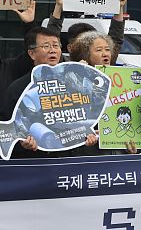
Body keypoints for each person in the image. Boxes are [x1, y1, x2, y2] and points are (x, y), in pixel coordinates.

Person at [0, 27, 98, 158]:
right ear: (31, 53)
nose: (52, 50)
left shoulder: (73, 85)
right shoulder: (18, 88)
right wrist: (21, 143)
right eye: (46, 46)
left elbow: (83, 119)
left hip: (67, 163)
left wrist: (87, 136)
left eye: (56, 45)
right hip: (33, 163)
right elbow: (6, 130)